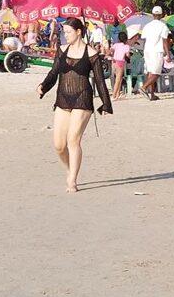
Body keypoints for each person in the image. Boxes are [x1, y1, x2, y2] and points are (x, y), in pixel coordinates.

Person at [37, 18, 112, 193]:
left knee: (73, 140)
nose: (66, 35)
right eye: (64, 32)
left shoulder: (91, 53)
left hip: (82, 99)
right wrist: (43, 86)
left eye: (68, 32)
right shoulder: (62, 50)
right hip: (63, 99)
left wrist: (106, 104)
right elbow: (54, 72)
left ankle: (72, 180)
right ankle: (70, 169)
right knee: (59, 145)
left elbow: (100, 82)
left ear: (78, 32)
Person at [140, 7, 171, 101]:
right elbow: (164, 41)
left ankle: (152, 94)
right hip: (157, 51)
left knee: (150, 72)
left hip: (147, 50)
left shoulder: (147, 26)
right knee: (156, 74)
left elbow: (144, 38)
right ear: (161, 15)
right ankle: (144, 87)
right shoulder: (163, 26)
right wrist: (168, 54)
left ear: (153, 15)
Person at [110, 30, 131, 100]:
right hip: (120, 62)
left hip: (114, 61)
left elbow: (111, 50)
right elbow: (127, 55)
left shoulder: (115, 45)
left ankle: (117, 94)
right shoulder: (126, 46)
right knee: (118, 79)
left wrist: (113, 55)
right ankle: (113, 95)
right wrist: (128, 56)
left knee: (119, 78)